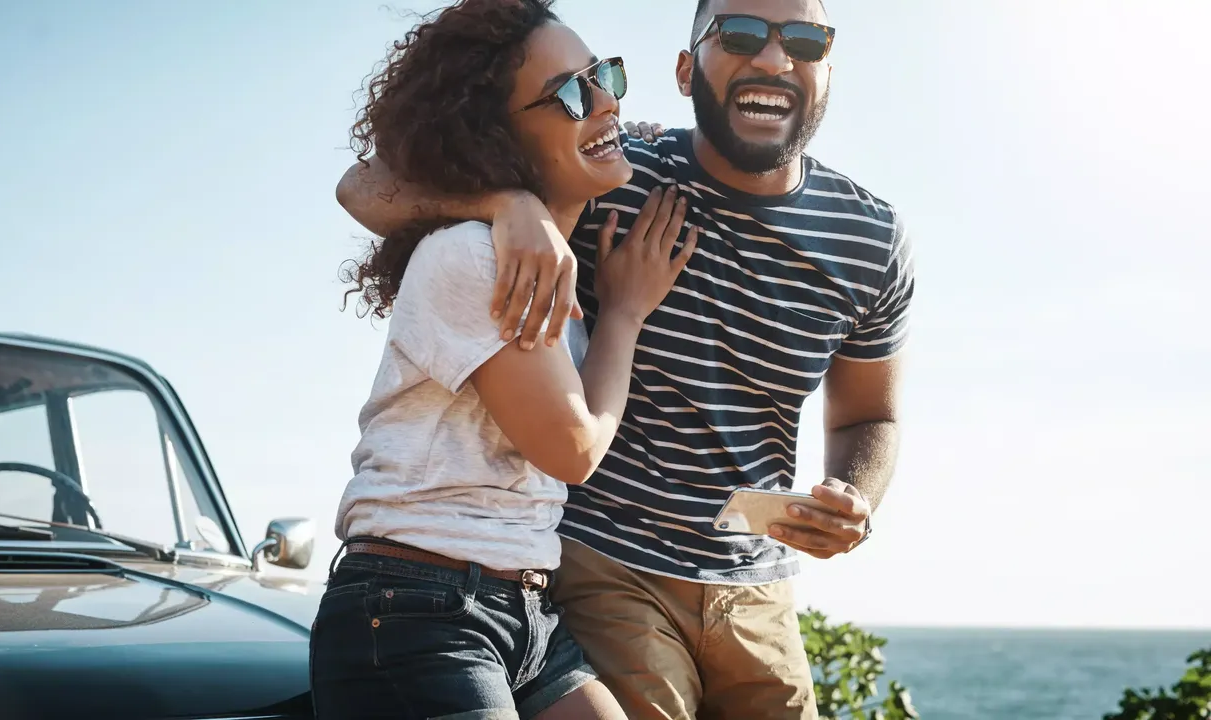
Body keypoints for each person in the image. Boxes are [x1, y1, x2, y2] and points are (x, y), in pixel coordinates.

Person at [334, 0, 915, 718]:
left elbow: (871, 414)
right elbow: (366, 185)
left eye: (803, 39)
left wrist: (856, 496)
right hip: (598, 564)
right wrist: (507, 201)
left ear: (828, 67)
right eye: (738, 35)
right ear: (685, 69)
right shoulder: (608, 171)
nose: (773, 58)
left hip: (753, 579)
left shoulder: (871, 239)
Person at [309, 1, 700, 719]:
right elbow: (573, 449)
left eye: (605, 73)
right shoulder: (474, 254)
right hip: (415, 613)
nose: (607, 99)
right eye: (574, 93)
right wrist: (624, 315)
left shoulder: (538, 249)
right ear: (499, 134)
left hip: (521, 612)